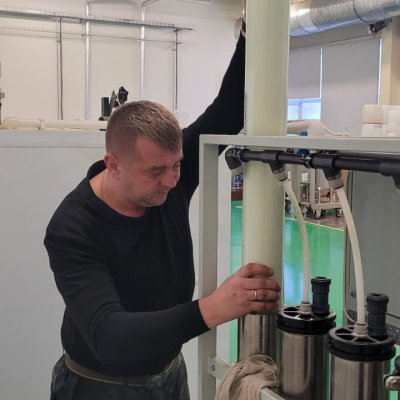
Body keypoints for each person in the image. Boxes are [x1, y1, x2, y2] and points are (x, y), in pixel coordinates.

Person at [44, 26, 281, 400]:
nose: (172, 181)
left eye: (177, 165)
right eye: (156, 171)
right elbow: (108, 336)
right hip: (100, 386)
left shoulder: (167, 175)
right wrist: (213, 309)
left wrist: (251, 29)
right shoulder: (73, 227)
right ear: (114, 164)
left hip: (169, 375)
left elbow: (229, 110)